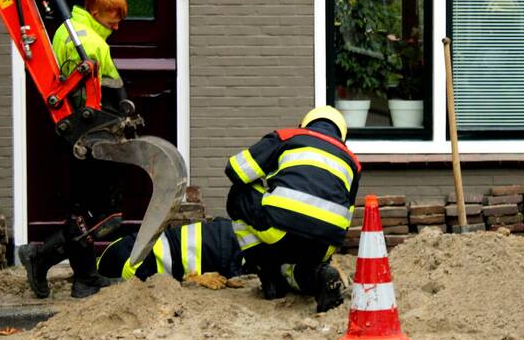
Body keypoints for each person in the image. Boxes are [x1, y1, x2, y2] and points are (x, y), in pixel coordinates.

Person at [18, 0, 133, 299]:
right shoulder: (89, 44)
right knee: (106, 214)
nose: (116, 26)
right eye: (112, 19)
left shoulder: (70, 32)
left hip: (76, 133)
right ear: (95, 11)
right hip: (87, 135)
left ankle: (84, 279)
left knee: (81, 211)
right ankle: (42, 257)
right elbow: (94, 97)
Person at [224, 105, 360, 313]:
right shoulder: (353, 163)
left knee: (239, 192)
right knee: (305, 270)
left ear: (304, 125)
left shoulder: (288, 137)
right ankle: (318, 276)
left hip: (280, 233)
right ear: (342, 136)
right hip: (322, 246)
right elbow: (347, 214)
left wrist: (269, 178)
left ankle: (269, 275)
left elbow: (235, 169)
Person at [95, 217, 345, 312]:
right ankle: (314, 274)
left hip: (227, 244)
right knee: (278, 268)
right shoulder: (126, 257)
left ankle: (312, 273)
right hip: (228, 245)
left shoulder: (122, 255)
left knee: (276, 267)